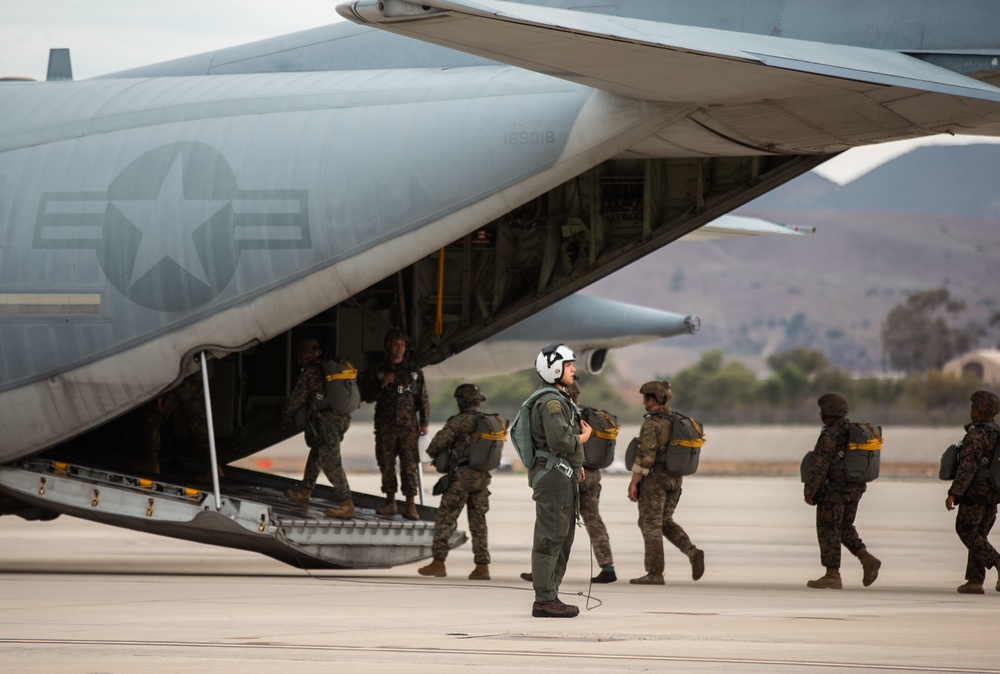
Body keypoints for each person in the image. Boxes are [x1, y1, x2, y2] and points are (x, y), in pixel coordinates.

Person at [520, 381, 617, 584]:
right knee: (593, 519)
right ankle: (607, 565)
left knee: (555, 522)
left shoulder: (562, 410)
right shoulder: (589, 414)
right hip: (592, 474)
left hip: (569, 471)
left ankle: (544, 571)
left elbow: (558, 441)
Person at [525, 343, 592, 618]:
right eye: (568, 365)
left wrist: (577, 463)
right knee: (550, 538)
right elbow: (559, 440)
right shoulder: (552, 401)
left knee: (562, 537)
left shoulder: (558, 398)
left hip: (561, 474)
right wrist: (584, 439)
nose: (573, 370)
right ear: (553, 368)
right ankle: (544, 599)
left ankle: (550, 594)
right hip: (553, 477)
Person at [627, 381, 704, 585]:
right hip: (674, 481)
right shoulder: (676, 421)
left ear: (651, 399)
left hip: (655, 481)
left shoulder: (652, 424)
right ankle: (692, 551)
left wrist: (634, 482)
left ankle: (654, 572)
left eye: (645, 398)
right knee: (666, 521)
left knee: (650, 524)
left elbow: (645, 457)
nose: (643, 401)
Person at [802, 392, 881, 589]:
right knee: (844, 527)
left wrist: (810, 492)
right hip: (855, 488)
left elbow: (820, 464)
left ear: (826, 412)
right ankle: (866, 558)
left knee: (828, 528)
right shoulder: (852, 430)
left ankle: (832, 574)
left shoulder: (830, 433)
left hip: (834, 490)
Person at [418, 384, 493, 580]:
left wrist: (435, 453)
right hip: (482, 479)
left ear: (461, 401)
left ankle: (438, 563)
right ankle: (482, 566)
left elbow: (436, 444)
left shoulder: (460, 421)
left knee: (445, 519)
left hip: (461, 478)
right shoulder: (488, 422)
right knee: (479, 523)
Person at [281, 338, 355, 519]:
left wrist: (285, 416)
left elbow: (296, 400)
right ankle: (304, 494)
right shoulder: (330, 367)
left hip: (327, 422)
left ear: (302, 356)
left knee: (331, 462)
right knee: (316, 454)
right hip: (342, 418)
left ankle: (347, 504)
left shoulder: (310, 373)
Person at [360, 328, 429, 520]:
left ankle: (410, 506)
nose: (399, 348)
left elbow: (423, 399)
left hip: (408, 428)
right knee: (386, 464)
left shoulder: (414, 372)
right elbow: (367, 396)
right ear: (388, 346)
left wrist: (424, 424)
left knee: (409, 466)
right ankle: (390, 502)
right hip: (385, 426)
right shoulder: (379, 369)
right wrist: (382, 384)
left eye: (402, 344)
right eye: (395, 344)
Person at [945, 390, 1000, 594]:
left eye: (973, 407)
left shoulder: (977, 434)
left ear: (979, 410)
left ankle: (998, 563)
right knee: (980, 536)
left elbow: (967, 467)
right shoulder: (996, 433)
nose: (971, 410)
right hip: (993, 493)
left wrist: (954, 493)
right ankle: (975, 581)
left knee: (966, 530)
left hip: (976, 492)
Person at [133, 370, 213, 477]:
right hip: (199, 379)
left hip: (181, 380)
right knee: (198, 426)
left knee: (152, 419)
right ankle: (213, 467)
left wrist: (160, 395)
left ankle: (151, 462)